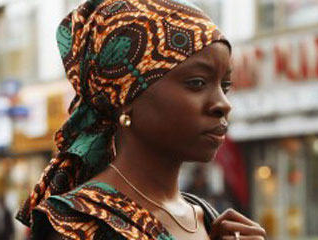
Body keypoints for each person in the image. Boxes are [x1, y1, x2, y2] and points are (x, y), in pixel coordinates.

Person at [16, 0, 267, 239]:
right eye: (197, 83)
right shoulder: (82, 225)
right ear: (126, 96)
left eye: (226, 86)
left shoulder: (210, 220)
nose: (223, 104)